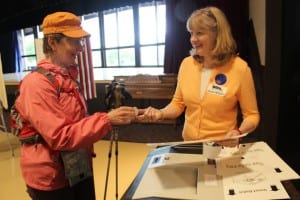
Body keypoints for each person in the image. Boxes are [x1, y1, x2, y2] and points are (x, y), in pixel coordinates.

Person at [14, 11, 137, 200]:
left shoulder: (66, 77)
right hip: (52, 178)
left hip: (77, 167)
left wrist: (112, 119)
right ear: (53, 43)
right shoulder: (37, 84)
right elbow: (60, 136)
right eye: (75, 41)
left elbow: (76, 123)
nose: (81, 48)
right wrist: (106, 120)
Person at [138, 6, 260, 147]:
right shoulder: (187, 64)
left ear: (218, 35)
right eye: (191, 33)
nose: (193, 39)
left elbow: (252, 116)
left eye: (200, 33)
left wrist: (238, 131)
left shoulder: (240, 69)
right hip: (190, 144)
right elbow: (177, 104)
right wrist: (161, 113)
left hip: (221, 147)